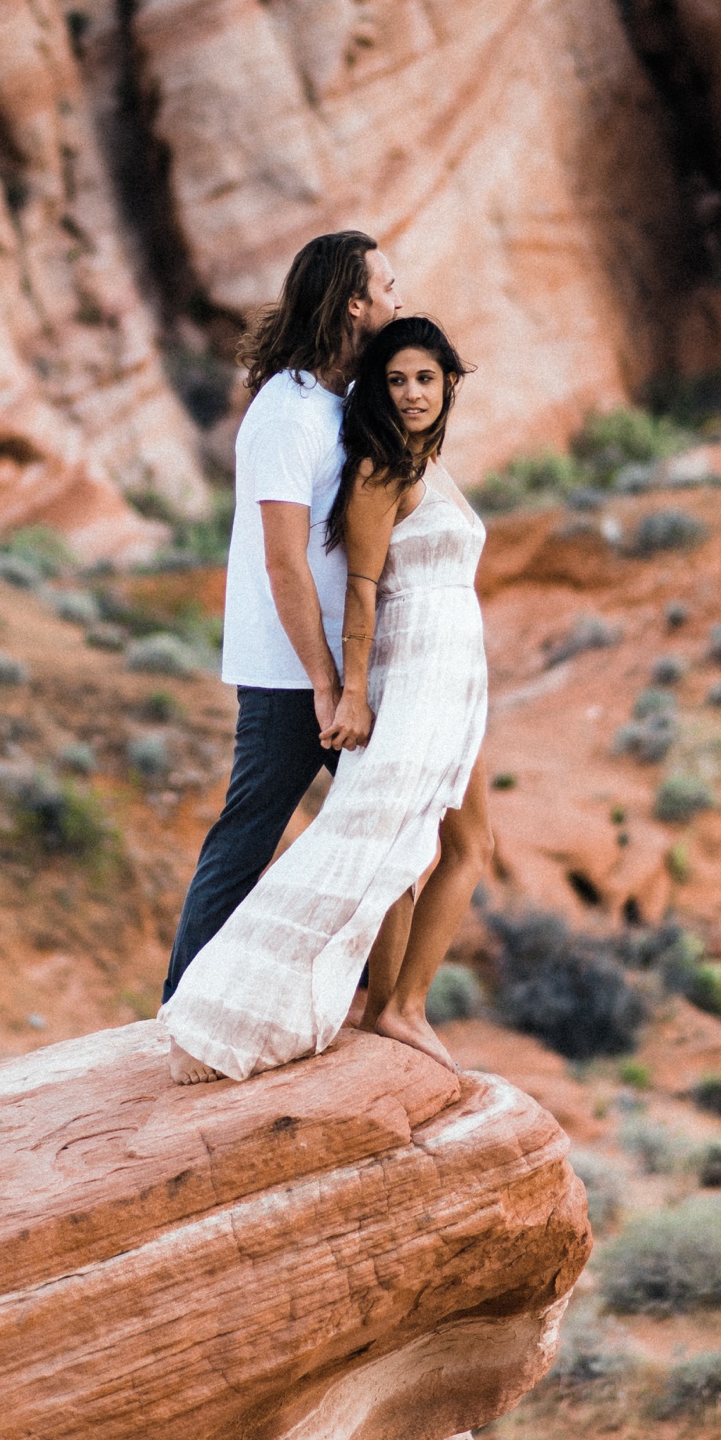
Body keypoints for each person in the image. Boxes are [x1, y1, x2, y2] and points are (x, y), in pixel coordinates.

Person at [161, 314, 493, 1083]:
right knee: (392, 842)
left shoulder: (429, 462)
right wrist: (349, 694)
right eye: (397, 379)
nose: (412, 393)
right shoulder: (379, 469)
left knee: (467, 844)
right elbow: (365, 593)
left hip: (458, 675)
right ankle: (387, 1008)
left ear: (450, 385)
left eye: (425, 378)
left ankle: (396, 1004)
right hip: (410, 672)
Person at [160, 230, 401, 1010]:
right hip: (292, 672)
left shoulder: (332, 403)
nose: (400, 301)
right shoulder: (287, 413)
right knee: (245, 841)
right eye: (388, 288)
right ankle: (182, 1007)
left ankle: (359, 992)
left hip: (332, 665)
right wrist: (328, 685)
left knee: (387, 827)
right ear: (354, 303)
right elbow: (283, 562)